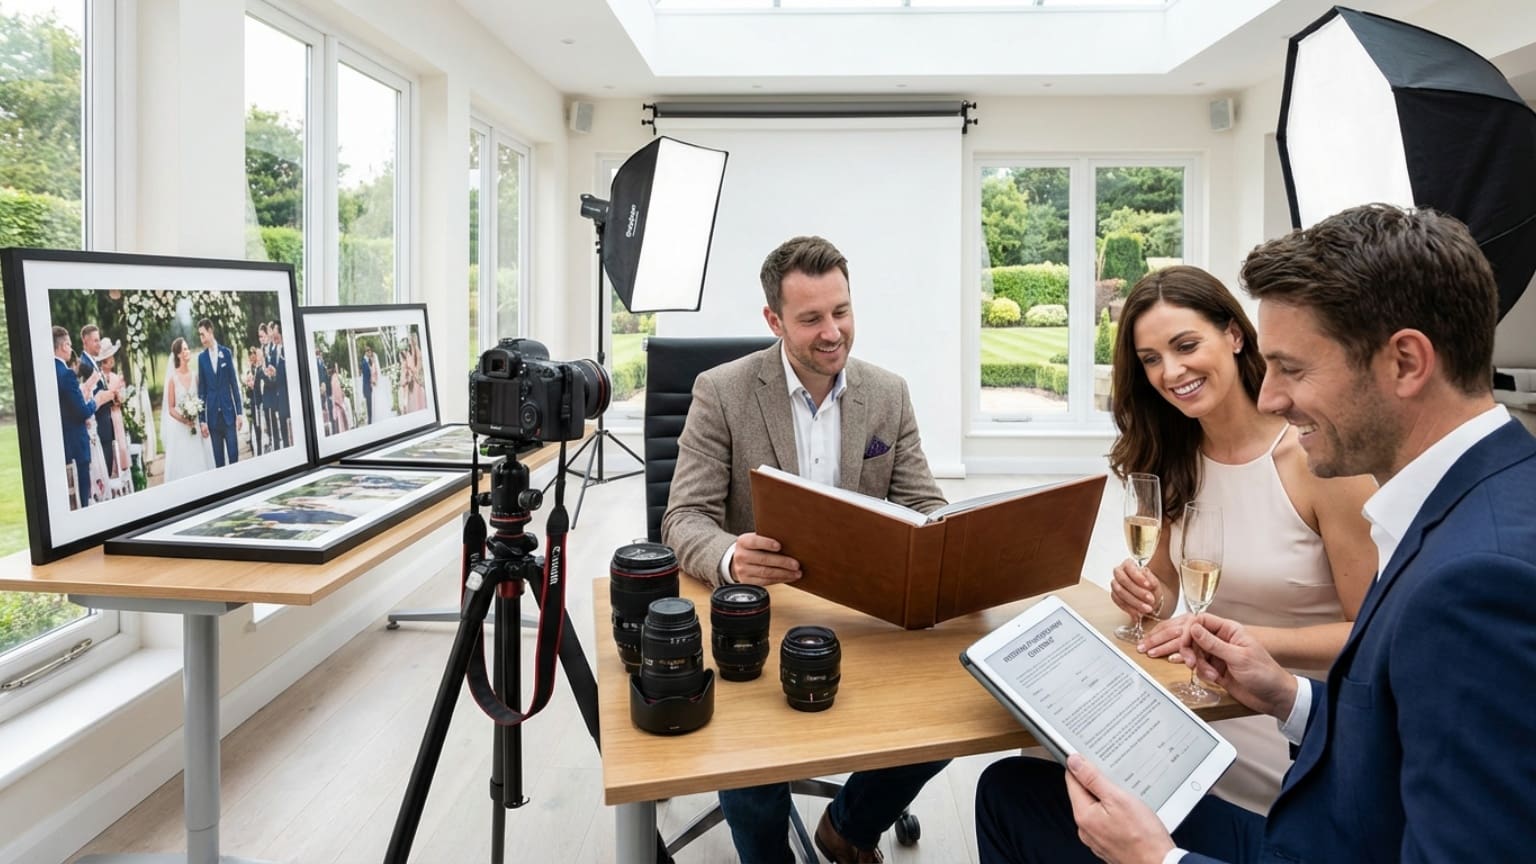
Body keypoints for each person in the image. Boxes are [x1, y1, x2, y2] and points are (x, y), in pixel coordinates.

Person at [974, 204, 1536, 864]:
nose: (1271, 398)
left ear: (1406, 362)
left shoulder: (1480, 579)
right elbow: (1402, 725)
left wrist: (1160, 861)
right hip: (1292, 761)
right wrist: (1286, 694)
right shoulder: (1481, 499)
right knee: (1032, 774)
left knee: (1018, 794)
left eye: (1293, 369)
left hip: (1302, 822)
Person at [662, 235, 950, 864]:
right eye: (811, 318)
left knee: (951, 722)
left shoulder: (888, 392)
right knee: (754, 786)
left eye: (841, 311)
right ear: (774, 320)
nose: (832, 332)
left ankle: (848, 829)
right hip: (761, 620)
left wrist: (951, 537)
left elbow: (926, 504)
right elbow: (683, 517)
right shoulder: (723, 391)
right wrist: (732, 558)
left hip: (864, 614)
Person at [1104, 266, 1376, 812]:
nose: (1171, 371)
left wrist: (1243, 639)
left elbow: (1370, 636)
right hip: (1197, 707)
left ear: (1233, 334)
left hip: (1296, 731)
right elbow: (1163, 587)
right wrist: (1142, 592)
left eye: (1185, 345)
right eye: (1151, 359)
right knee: (1045, 763)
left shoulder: (1318, 461)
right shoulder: (1172, 456)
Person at [53, 326, 118, 508]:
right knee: (83, 499)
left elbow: (68, 404)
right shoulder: (65, 374)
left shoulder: (51, 371)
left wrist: (86, 387)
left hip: (64, 443)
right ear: (65, 346)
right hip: (76, 444)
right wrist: (97, 400)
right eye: (69, 344)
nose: (70, 348)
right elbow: (81, 411)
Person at [163, 337, 214, 482]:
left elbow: (201, 401)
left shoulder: (195, 376)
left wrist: (197, 417)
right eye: (184, 349)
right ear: (178, 354)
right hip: (180, 429)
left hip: (196, 426)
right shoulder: (173, 379)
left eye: (187, 348)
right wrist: (184, 419)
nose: (187, 351)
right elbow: (171, 408)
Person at [196, 318, 244, 467]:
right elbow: (202, 390)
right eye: (199, 335)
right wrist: (202, 420)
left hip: (229, 415)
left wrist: (240, 413)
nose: (201, 338)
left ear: (210, 332)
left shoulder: (226, 353)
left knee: (234, 457)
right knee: (219, 463)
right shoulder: (201, 358)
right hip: (213, 420)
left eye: (203, 334)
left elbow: (234, 384)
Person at [78, 323, 119, 478]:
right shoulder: (85, 366)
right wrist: (109, 395)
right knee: (103, 474)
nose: (99, 343)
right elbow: (91, 395)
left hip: (105, 426)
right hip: (98, 428)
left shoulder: (93, 363)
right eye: (95, 340)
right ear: (85, 341)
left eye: (99, 339)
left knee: (107, 471)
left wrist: (112, 397)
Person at [245, 345, 267, 455]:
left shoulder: (259, 369)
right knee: (255, 427)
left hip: (260, 401)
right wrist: (248, 385)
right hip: (253, 402)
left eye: (253, 355)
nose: (251, 358)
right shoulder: (249, 370)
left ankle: (262, 448)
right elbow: (247, 392)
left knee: (262, 427)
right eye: (250, 356)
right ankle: (257, 450)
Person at [329, 362, 351, 433]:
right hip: (338, 402)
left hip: (338, 402)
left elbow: (337, 390)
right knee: (341, 421)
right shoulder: (335, 378)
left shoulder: (335, 378)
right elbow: (336, 391)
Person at [360, 345, 377, 424]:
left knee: (371, 404)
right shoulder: (364, 362)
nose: (370, 354)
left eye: (370, 352)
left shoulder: (368, 361)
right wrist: (371, 381)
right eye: (369, 352)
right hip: (367, 387)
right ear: (366, 352)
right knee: (369, 405)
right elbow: (366, 376)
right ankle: (370, 421)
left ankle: (371, 420)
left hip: (370, 386)